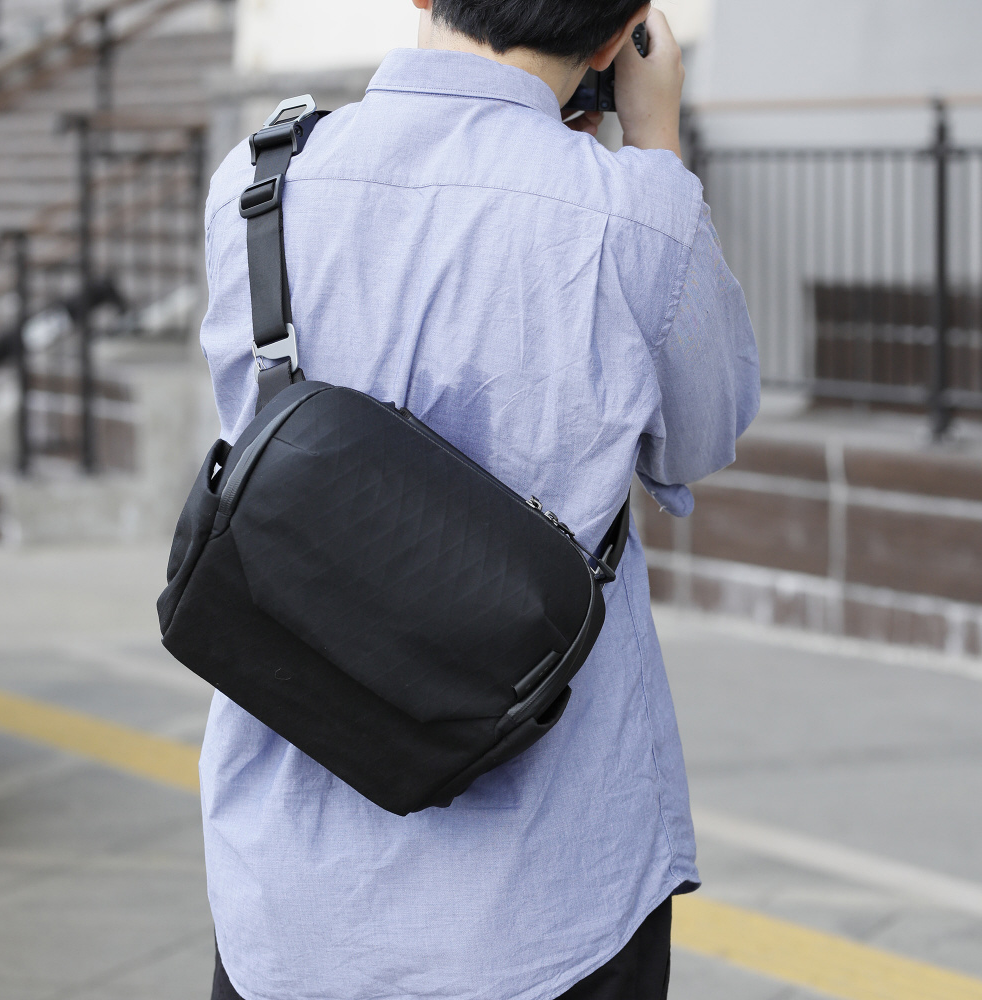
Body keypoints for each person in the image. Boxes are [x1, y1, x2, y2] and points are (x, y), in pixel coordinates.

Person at [198, 1, 759, 998]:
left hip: (286, 886)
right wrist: (656, 146)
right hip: (545, 893)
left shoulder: (260, 177)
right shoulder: (636, 213)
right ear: (617, 38)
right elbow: (701, 437)